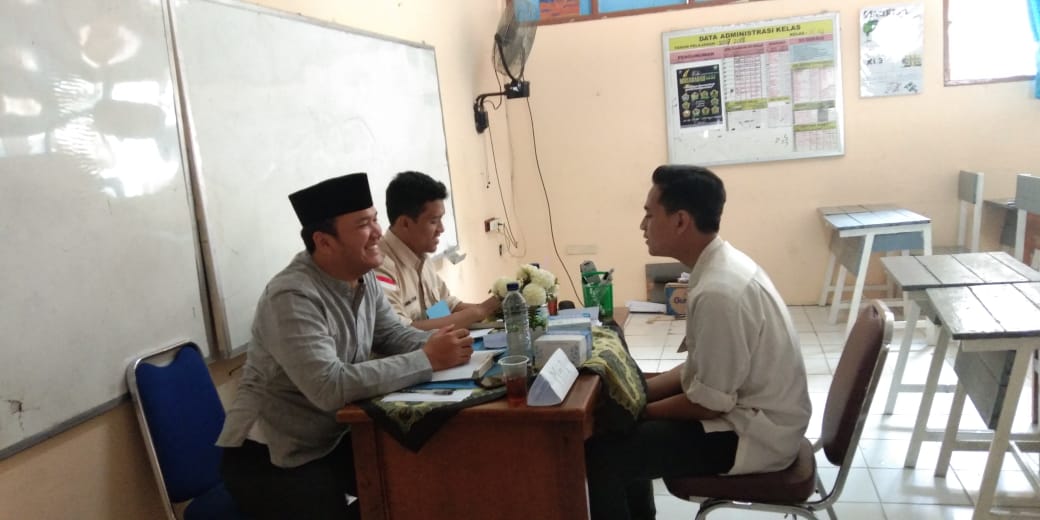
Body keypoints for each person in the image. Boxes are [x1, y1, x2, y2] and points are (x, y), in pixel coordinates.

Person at [216, 172, 474, 520]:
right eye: (364, 225)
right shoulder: (291, 296)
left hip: (334, 435)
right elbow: (329, 386)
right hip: (275, 456)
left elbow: (393, 335)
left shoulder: (363, 275)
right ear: (325, 242)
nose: (378, 232)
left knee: (419, 475)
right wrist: (428, 359)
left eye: (375, 219)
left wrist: (454, 346)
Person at [585, 165, 811, 520]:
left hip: (755, 434)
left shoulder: (720, 292)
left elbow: (709, 403)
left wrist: (635, 411)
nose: (642, 225)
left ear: (680, 221)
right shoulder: (720, 266)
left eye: (649, 214)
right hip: (747, 415)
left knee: (604, 453)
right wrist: (638, 392)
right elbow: (699, 371)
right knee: (618, 431)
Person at [376, 170, 500, 330]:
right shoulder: (380, 266)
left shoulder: (420, 254)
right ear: (405, 223)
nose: (441, 229)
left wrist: (497, 308)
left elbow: (445, 307)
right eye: (434, 221)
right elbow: (402, 333)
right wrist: (479, 311)